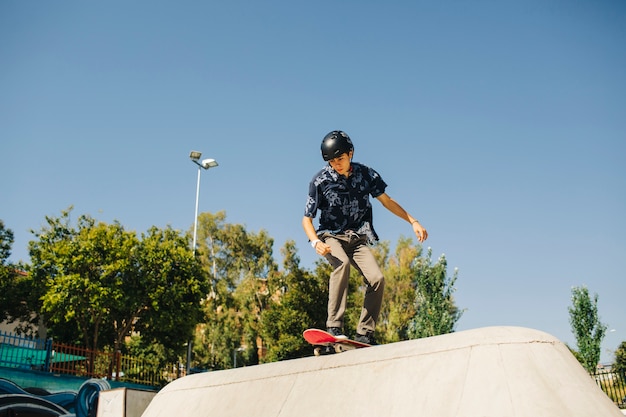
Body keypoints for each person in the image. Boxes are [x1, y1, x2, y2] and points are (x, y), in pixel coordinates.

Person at [302, 130, 428, 346]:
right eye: (332, 161)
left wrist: (413, 221)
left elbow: (387, 201)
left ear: (350, 153)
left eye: (340, 159)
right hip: (331, 236)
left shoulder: (367, 174)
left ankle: (365, 333)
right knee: (341, 266)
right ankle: (334, 325)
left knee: (377, 279)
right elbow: (306, 219)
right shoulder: (320, 181)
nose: (336, 164)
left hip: (357, 238)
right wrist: (316, 242)